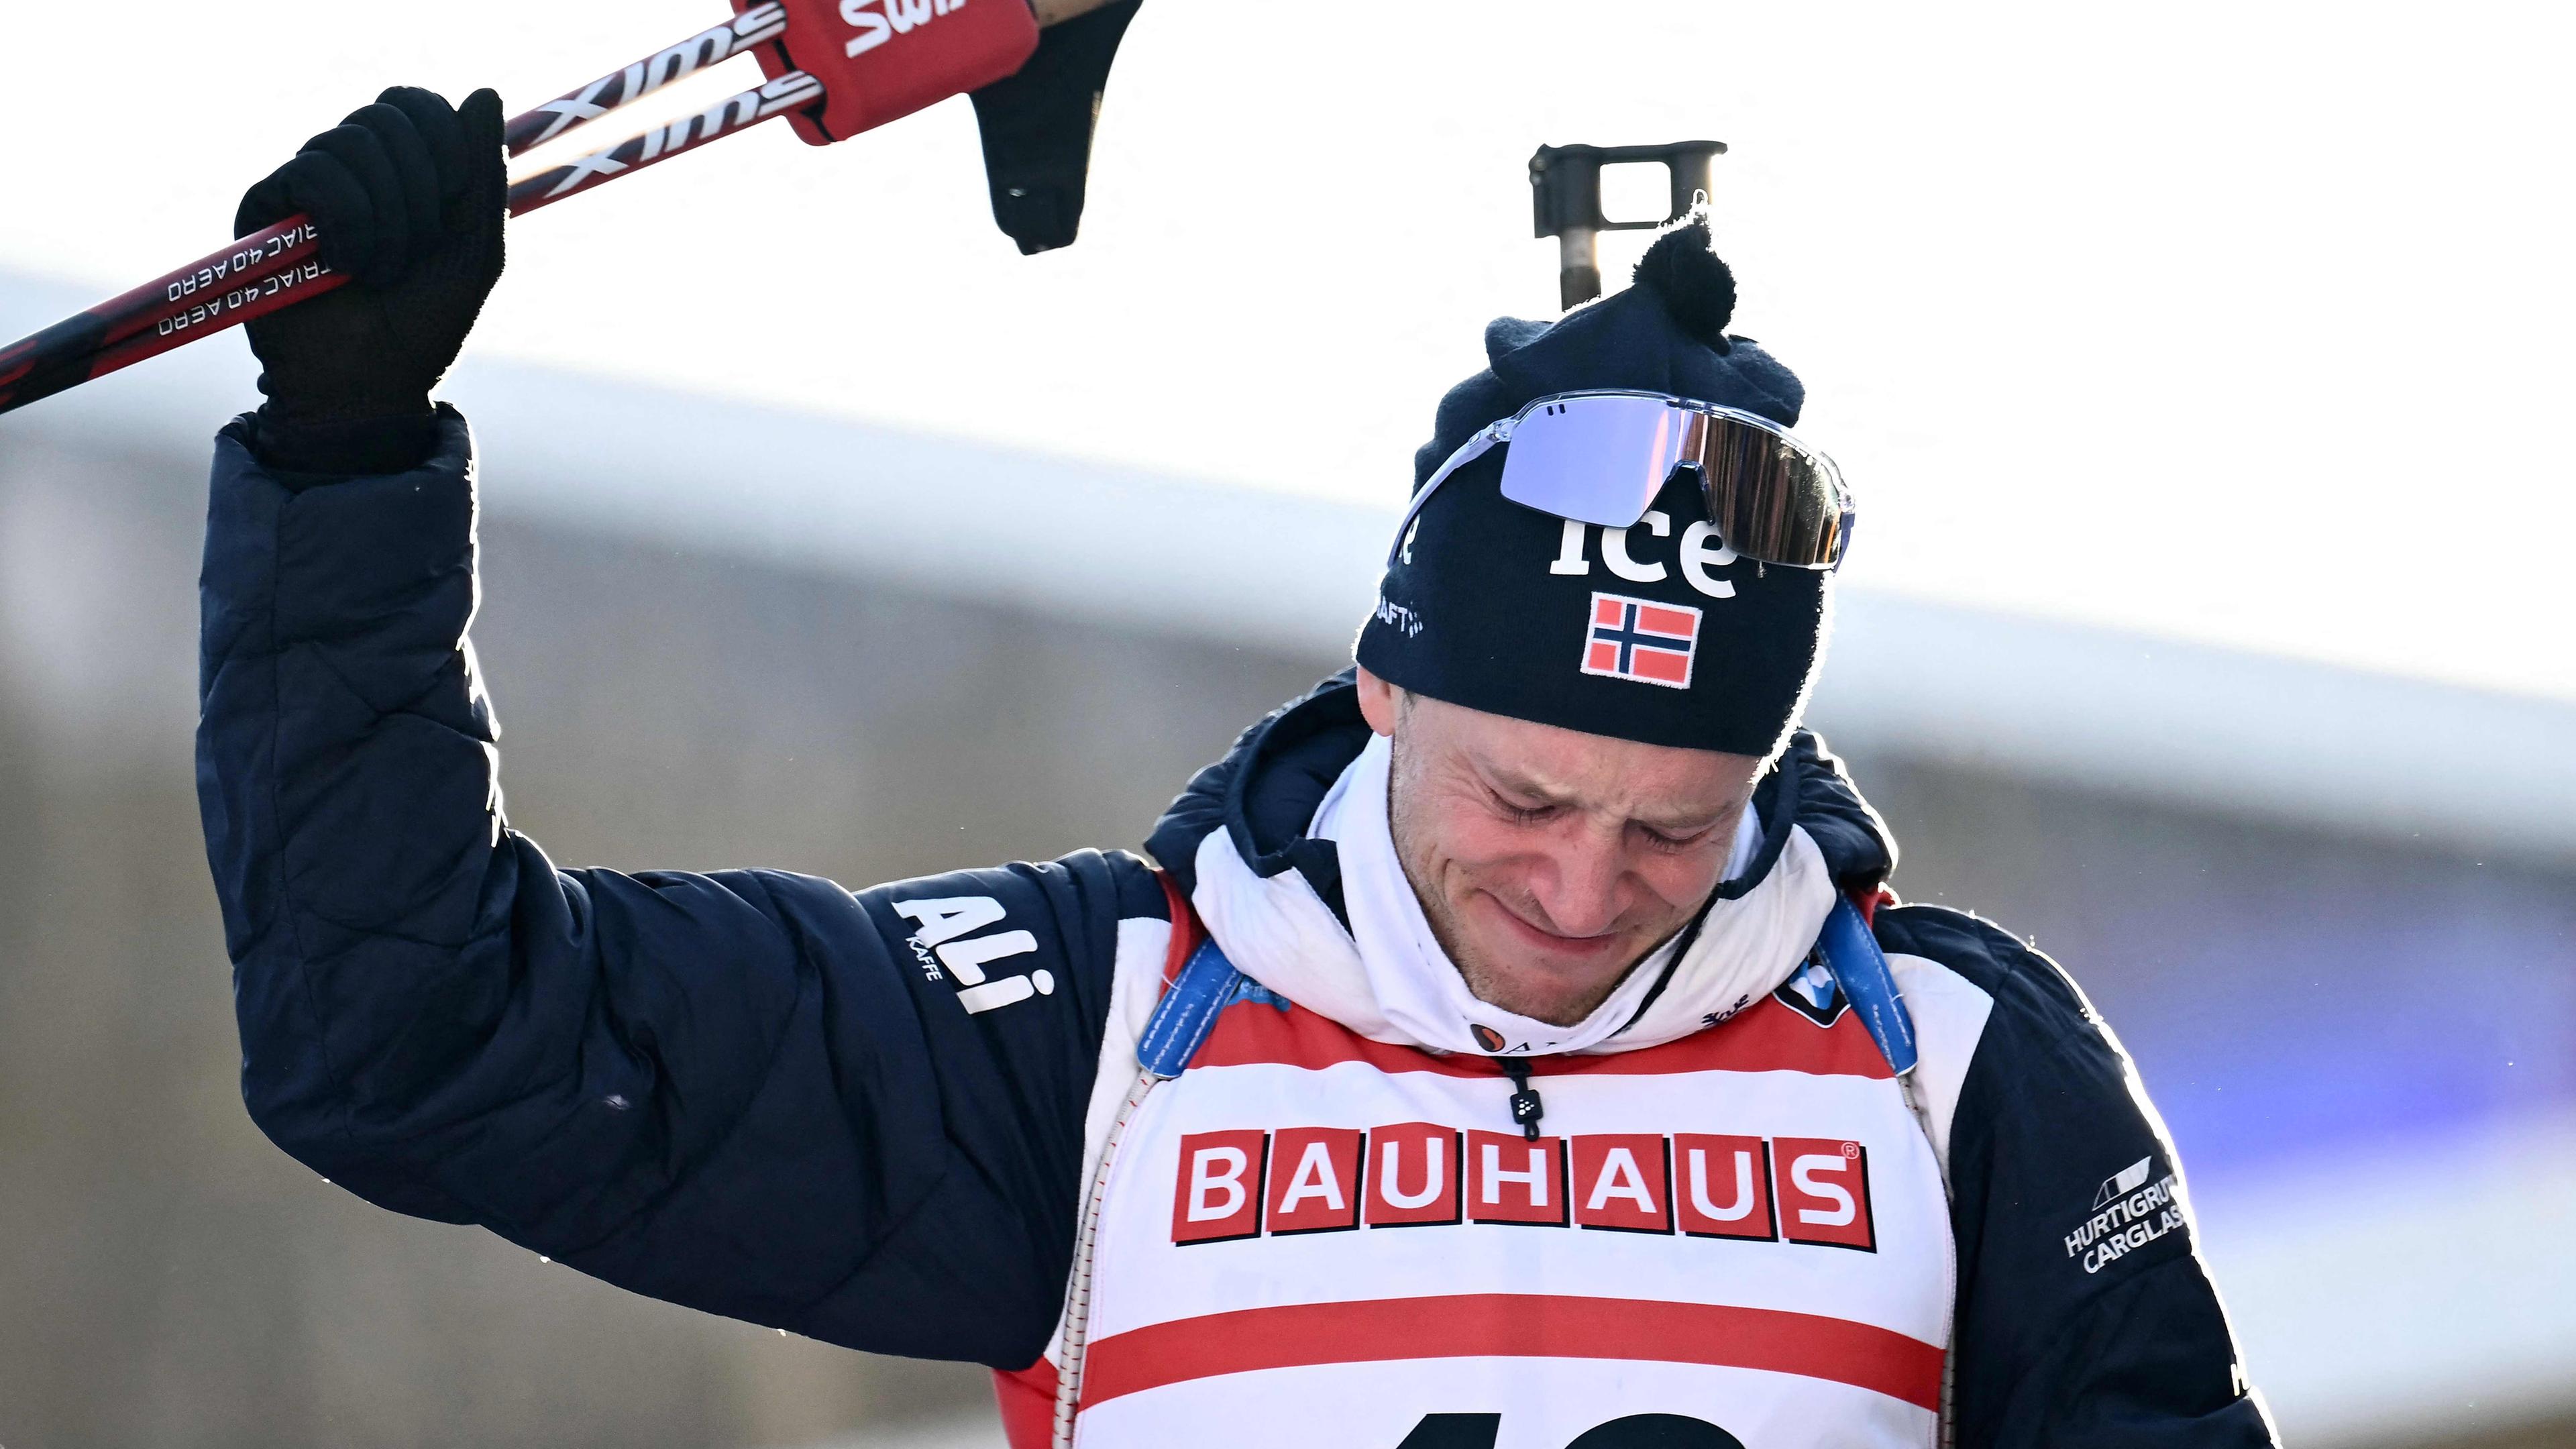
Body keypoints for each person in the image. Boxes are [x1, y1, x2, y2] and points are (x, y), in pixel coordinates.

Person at [197, 90, 2277, 1449]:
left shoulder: (1953, 1060)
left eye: (1675, 827)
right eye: (1524, 800)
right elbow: (413, 1039)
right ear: (1383, 685)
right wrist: (350, 464)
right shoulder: (1093, 1032)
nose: (1579, 891)